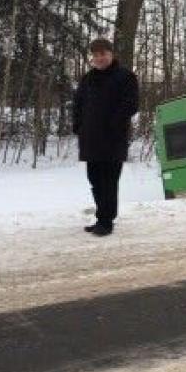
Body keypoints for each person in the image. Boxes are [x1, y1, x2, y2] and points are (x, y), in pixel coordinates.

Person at [72, 39, 139, 236]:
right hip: (90, 140)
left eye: (104, 54)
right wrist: (78, 127)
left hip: (112, 140)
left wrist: (113, 123)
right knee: (95, 181)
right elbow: (78, 105)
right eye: (96, 55)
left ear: (111, 54)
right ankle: (101, 217)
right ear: (92, 58)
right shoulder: (87, 79)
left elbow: (131, 104)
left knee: (108, 182)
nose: (100, 58)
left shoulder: (125, 77)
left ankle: (106, 221)